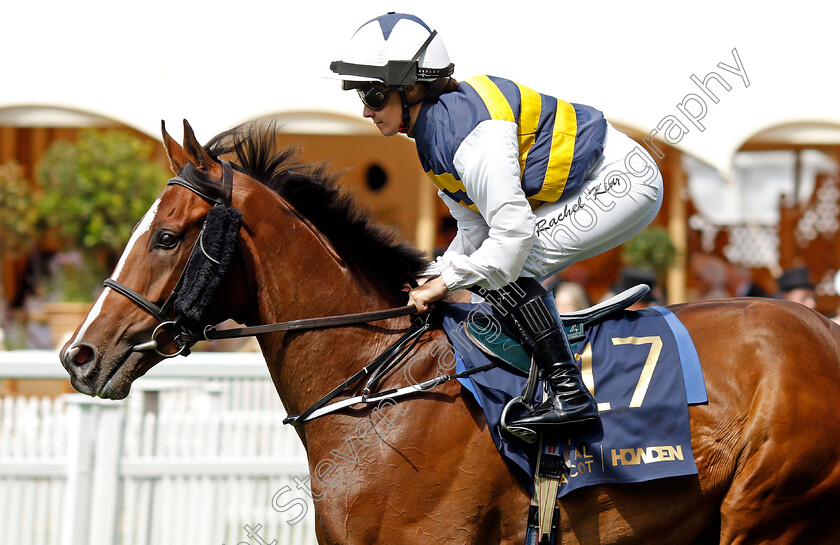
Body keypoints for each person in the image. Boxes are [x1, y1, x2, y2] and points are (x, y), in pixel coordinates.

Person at [329, 13, 663, 432]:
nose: (364, 109)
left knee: (508, 268)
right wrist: (429, 278)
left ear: (413, 87)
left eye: (373, 94)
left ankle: (570, 395)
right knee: (491, 270)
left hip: (621, 180)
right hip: (591, 182)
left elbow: (510, 240)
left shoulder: (470, 137)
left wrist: (446, 284)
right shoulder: (436, 134)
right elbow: (473, 232)